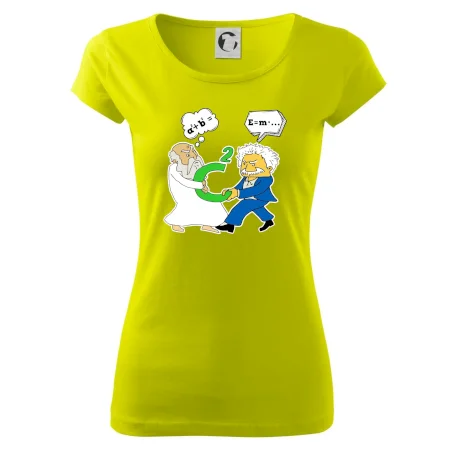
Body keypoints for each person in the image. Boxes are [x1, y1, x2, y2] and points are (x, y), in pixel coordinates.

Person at [216, 143, 280, 233]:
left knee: (242, 206)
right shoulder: (246, 178)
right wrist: (231, 191)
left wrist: (238, 193)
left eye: (253, 164)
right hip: (251, 198)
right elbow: (239, 186)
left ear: (269, 168)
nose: (247, 167)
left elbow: (256, 190)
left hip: (260, 198)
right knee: (257, 209)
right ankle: (269, 221)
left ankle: (230, 225)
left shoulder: (266, 179)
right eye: (244, 163)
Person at [164, 142, 228, 233]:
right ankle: (175, 224)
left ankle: (208, 224)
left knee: (213, 203)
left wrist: (203, 186)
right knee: (186, 207)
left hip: (196, 190)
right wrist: (200, 185)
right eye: (187, 154)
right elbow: (183, 181)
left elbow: (201, 176)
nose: (190, 156)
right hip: (183, 192)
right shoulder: (174, 168)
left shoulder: (194, 163)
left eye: (191, 153)